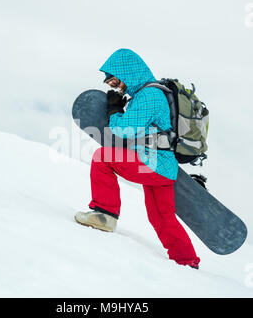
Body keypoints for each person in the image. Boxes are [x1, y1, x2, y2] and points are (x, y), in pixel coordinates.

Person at [75, 49, 200, 269]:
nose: (114, 87)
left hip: (151, 163)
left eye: (115, 81)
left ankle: (105, 214)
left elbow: (123, 130)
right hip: (161, 168)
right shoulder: (145, 95)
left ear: (128, 73)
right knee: (161, 216)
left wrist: (114, 109)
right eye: (111, 84)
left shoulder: (149, 96)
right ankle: (187, 261)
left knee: (103, 157)